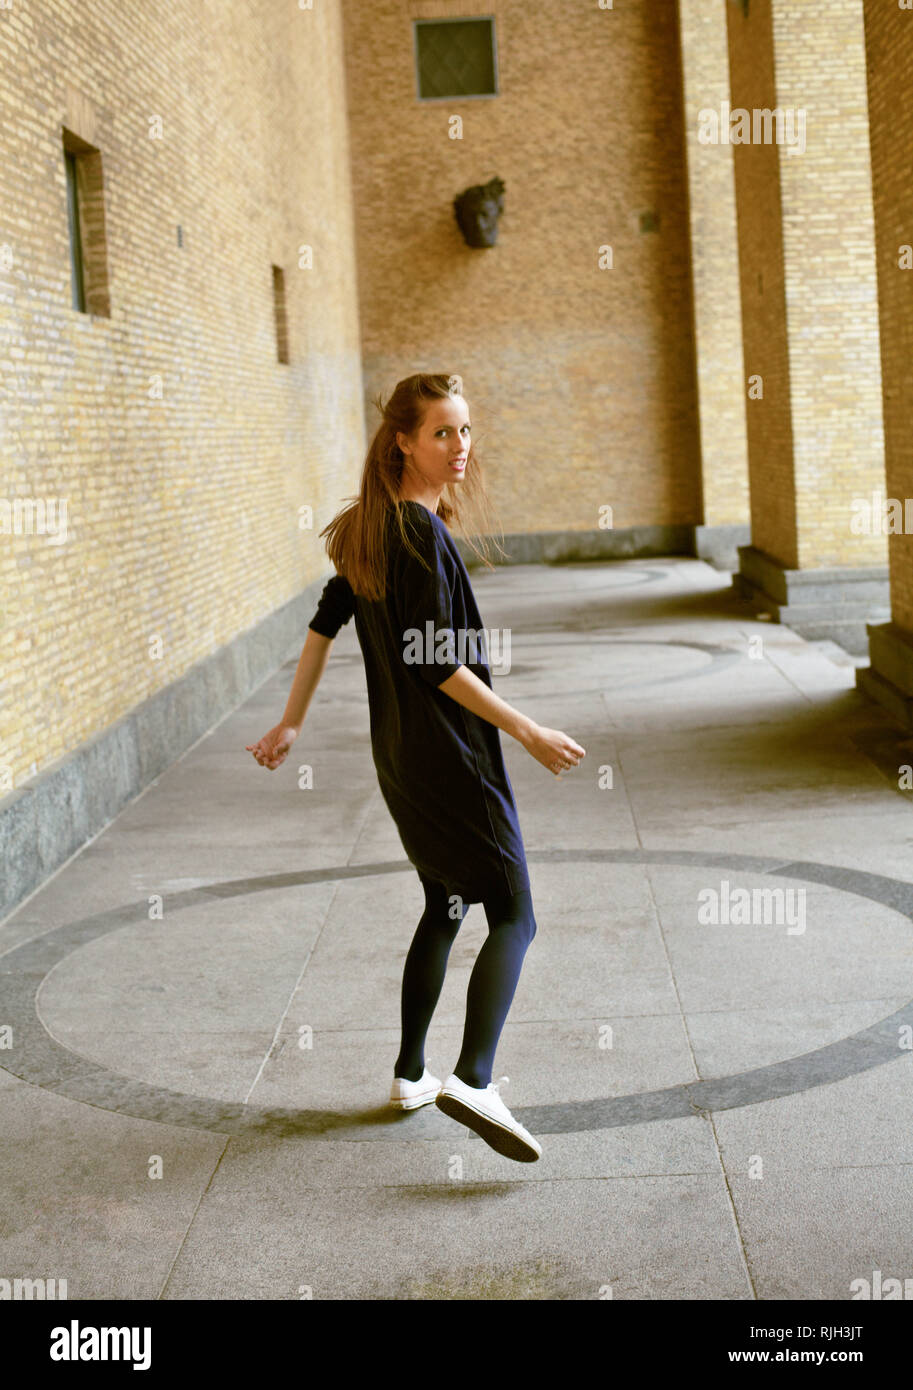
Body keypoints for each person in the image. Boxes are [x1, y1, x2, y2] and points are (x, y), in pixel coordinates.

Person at [246, 373, 585, 1162]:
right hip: (449, 755)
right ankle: (471, 1078)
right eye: (442, 432)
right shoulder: (416, 534)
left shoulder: (370, 529)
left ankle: (408, 1072)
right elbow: (431, 662)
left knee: (447, 904)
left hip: (400, 755)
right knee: (515, 915)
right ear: (403, 440)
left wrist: (291, 721)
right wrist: (527, 729)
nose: (460, 446)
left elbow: (324, 623)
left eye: (465, 430)